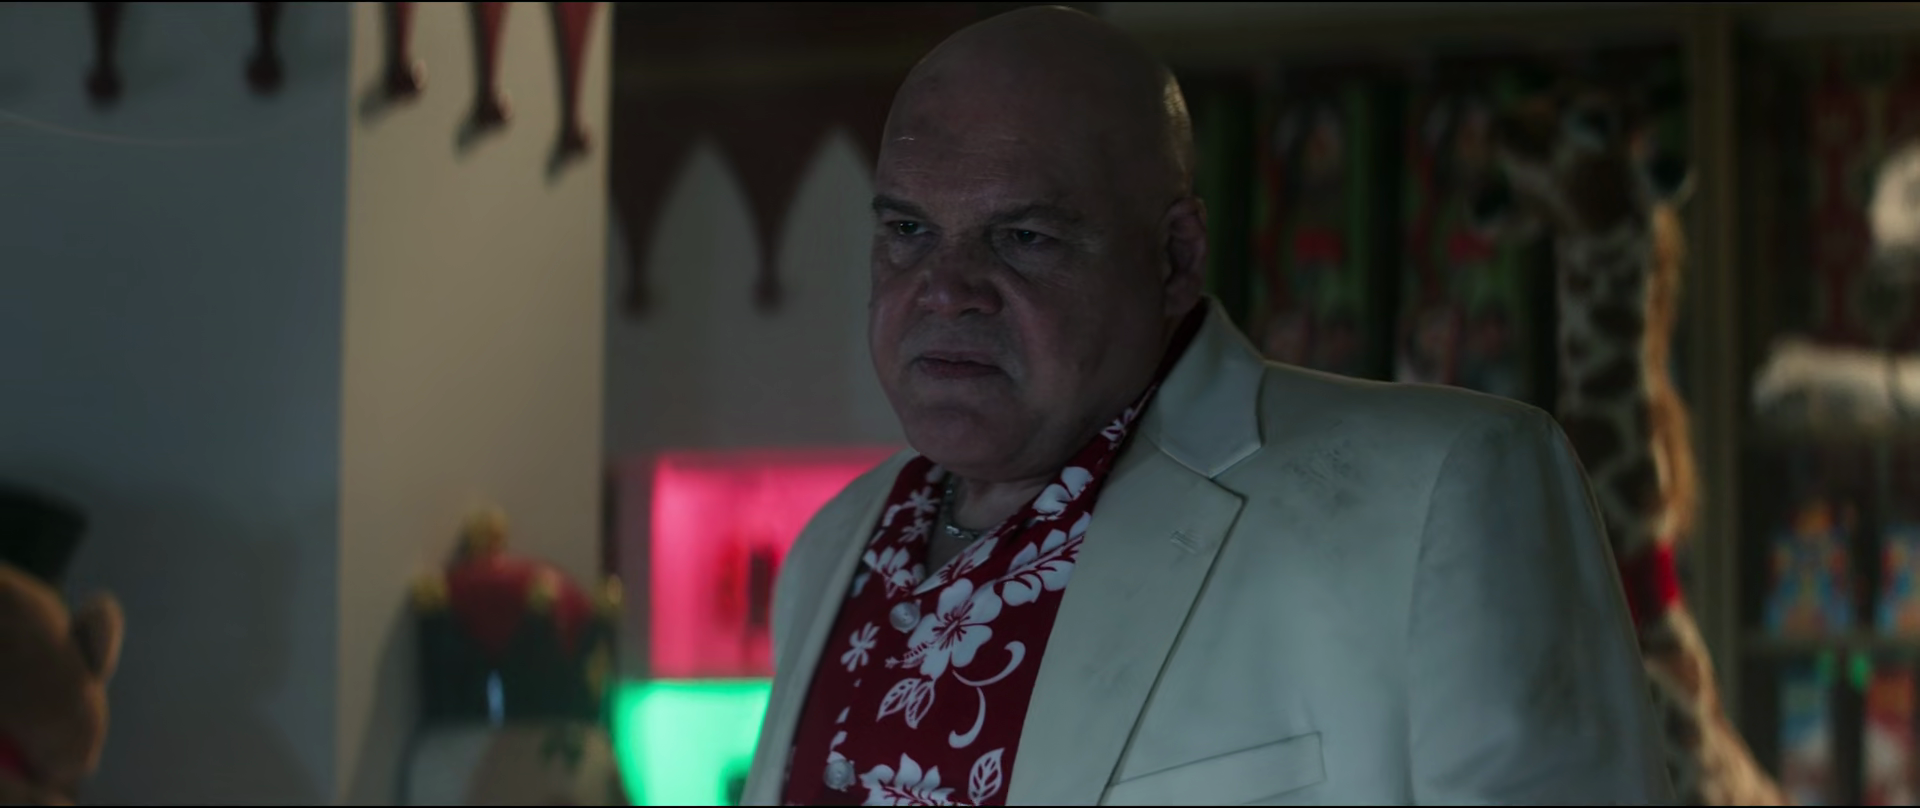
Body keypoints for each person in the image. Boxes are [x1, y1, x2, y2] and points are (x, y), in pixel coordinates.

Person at [739, 6, 1673, 805]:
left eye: (1022, 237)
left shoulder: (1442, 494)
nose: (946, 290)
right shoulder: (835, 547)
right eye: (908, 230)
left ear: (1176, 256)